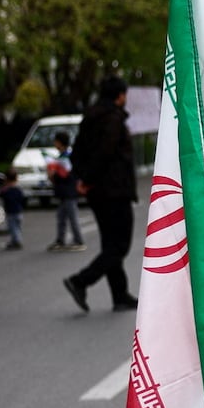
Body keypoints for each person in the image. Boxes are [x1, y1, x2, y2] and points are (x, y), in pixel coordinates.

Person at [63, 75, 138, 313]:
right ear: (119, 95)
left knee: (110, 244)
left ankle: (119, 295)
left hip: (98, 193)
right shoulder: (112, 120)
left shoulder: (90, 118)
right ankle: (80, 281)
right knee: (120, 245)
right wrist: (88, 179)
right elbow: (105, 153)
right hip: (114, 190)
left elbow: (77, 153)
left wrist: (82, 179)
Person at [46, 130, 86, 251]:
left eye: (55, 141)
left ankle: (79, 241)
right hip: (64, 192)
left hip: (69, 192)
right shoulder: (63, 156)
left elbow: (66, 175)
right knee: (61, 217)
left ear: (59, 142)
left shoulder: (67, 157)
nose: (54, 144)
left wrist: (53, 172)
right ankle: (60, 240)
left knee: (72, 217)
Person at [0, 169, 25, 250]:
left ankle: (16, 241)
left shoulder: (6, 190)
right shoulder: (18, 188)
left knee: (13, 228)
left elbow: (2, 195)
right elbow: (22, 198)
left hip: (11, 212)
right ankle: (15, 240)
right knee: (18, 227)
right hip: (19, 211)